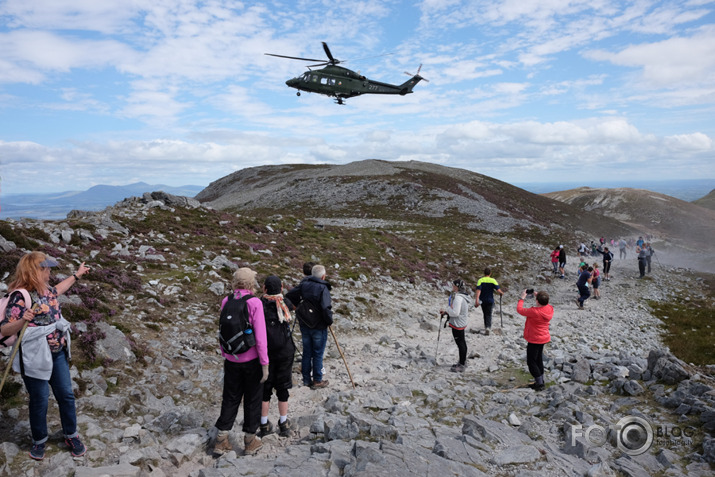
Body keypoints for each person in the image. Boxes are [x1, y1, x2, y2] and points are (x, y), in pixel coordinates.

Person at [0, 252, 89, 460]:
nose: (49, 271)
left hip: (57, 353)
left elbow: (58, 290)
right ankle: (39, 441)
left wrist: (77, 275)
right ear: (36, 271)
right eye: (46, 268)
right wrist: (23, 320)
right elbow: (5, 330)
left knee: (66, 395)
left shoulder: (47, 290)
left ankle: (71, 435)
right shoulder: (20, 296)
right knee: (39, 399)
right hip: (34, 357)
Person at [213, 267, 269, 456]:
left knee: (230, 397)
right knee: (253, 398)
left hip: (231, 359)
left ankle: (221, 438)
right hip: (251, 360)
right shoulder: (254, 302)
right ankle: (250, 440)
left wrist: (225, 353)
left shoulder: (226, 301)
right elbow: (260, 337)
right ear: (251, 282)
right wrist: (265, 363)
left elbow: (222, 330)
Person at [258, 276, 295, 438]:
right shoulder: (285, 304)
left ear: (264, 288)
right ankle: (284, 423)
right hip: (284, 352)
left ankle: (264, 424)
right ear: (281, 288)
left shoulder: (258, 305)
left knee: (265, 390)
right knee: (283, 387)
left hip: (264, 353)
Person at [286, 264, 333, 389]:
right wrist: (329, 320)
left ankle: (306, 380)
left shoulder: (304, 285)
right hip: (319, 325)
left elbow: (290, 295)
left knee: (307, 351)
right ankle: (317, 380)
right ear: (323, 276)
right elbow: (325, 307)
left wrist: (298, 307)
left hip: (305, 323)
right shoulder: (323, 288)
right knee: (317, 352)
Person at [516, 290, 553, 391]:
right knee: (538, 359)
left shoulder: (534, 312)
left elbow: (519, 310)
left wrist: (522, 298)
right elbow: (545, 303)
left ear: (537, 301)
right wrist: (539, 296)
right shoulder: (549, 308)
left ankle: (540, 384)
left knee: (531, 361)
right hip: (543, 337)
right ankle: (540, 380)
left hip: (534, 338)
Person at [439, 279, 471, 372]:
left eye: (453, 285)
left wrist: (447, 310)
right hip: (461, 322)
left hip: (457, 323)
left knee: (460, 343)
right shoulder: (464, 296)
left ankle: (461, 364)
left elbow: (455, 312)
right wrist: (446, 312)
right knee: (462, 342)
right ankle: (462, 361)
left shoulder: (458, 298)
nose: (452, 286)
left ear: (457, 287)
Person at [474, 268, 503, 335]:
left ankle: (486, 327)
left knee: (485, 313)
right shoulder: (493, 280)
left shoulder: (480, 280)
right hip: (490, 300)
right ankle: (488, 327)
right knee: (489, 314)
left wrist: (477, 300)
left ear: (484, 273)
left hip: (482, 300)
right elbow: (498, 290)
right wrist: (501, 293)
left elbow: (478, 291)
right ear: (490, 273)